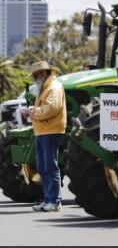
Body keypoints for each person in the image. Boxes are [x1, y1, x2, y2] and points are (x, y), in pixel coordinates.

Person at [27, 61, 66, 212]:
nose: (36, 78)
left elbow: (51, 109)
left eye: (38, 75)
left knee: (50, 166)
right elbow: (45, 108)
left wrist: (32, 112)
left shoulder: (54, 87)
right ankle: (48, 199)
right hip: (43, 130)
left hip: (51, 130)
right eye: (35, 75)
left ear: (44, 73)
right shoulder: (46, 88)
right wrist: (34, 110)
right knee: (43, 167)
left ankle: (55, 201)